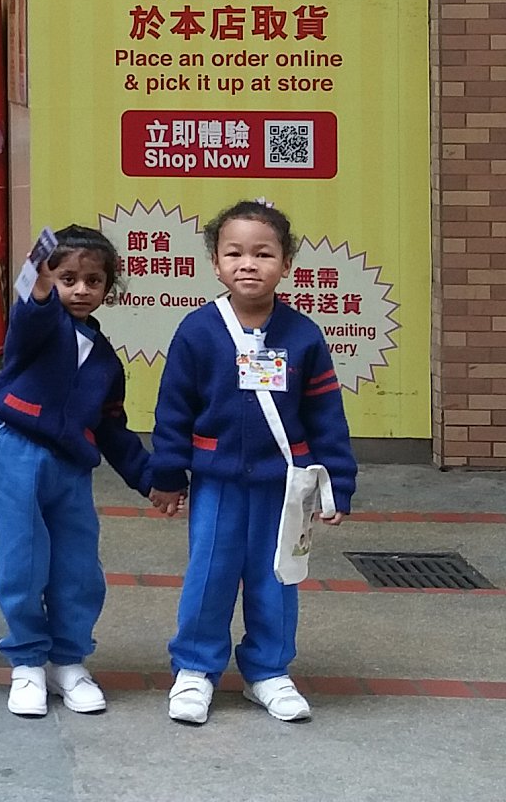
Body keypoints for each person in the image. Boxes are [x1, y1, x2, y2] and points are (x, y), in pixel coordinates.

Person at [151, 199, 357, 726]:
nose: (248, 264)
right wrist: (168, 475)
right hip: (217, 482)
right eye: (235, 253)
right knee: (210, 576)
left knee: (278, 578)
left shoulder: (303, 335)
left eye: (263, 254)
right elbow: (173, 410)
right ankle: (195, 669)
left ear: (286, 264)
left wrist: (338, 483)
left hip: (284, 485)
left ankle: (268, 671)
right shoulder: (198, 330)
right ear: (215, 263)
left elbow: (326, 414)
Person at [0, 224, 165, 718]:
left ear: (108, 287)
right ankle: (27, 662)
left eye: (94, 280)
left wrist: (151, 480)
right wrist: (39, 284)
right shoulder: (39, 326)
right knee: (21, 564)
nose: (81, 289)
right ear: (49, 279)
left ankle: (68, 660)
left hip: (71, 467)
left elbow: (112, 428)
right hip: (12, 451)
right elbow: (31, 313)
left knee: (78, 570)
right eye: (68, 279)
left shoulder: (105, 360)